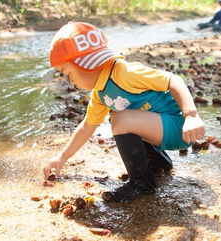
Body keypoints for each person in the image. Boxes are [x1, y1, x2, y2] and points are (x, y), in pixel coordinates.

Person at [43, 22, 206, 202]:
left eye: (68, 73)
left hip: (180, 127)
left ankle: (142, 184)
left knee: (121, 119)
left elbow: (172, 80)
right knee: (120, 118)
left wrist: (191, 115)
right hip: (163, 130)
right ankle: (159, 163)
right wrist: (62, 157)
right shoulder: (100, 93)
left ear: (85, 64)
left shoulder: (125, 72)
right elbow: (87, 127)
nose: (69, 80)